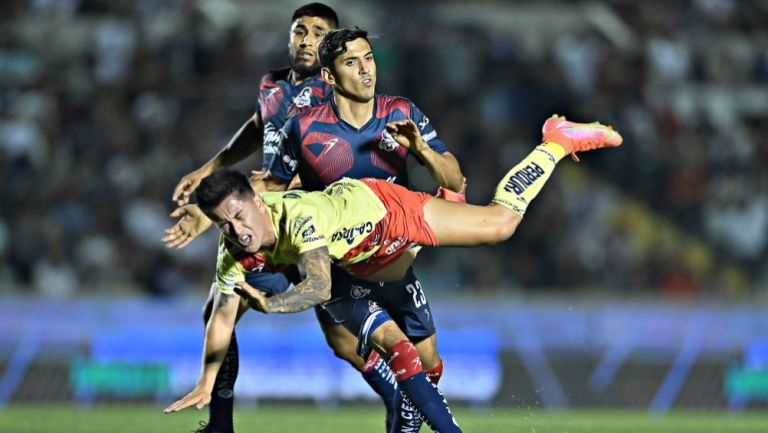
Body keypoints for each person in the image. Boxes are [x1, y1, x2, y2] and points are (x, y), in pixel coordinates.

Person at [165, 114, 622, 432]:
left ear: (257, 200)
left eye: (240, 216)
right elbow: (221, 317)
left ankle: (556, 142)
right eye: (224, 224)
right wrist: (207, 380)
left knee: (500, 224)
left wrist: (273, 302)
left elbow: (316, 282)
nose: (238, 230)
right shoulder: (233, 251)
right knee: (387, 347)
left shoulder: (299, 218)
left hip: (385, 214)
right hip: (355, 265)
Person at [164, 19, 464, 433]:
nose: (307, 39)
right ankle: (219, 423)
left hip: (371, 237)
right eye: (299, 30)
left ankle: (403, 399)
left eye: (319, 32)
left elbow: (453, 180)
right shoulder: (283, 100)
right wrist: (212, 193)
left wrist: (422, 151)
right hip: (313, 240)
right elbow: (263, 160)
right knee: (223, 301)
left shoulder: (374, 104)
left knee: (366, 347)